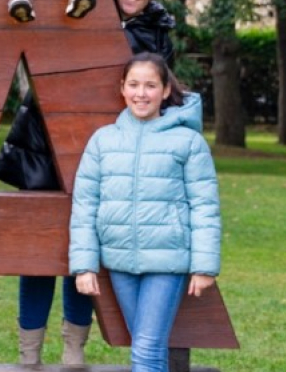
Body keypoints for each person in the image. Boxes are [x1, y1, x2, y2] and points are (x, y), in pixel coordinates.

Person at [0, 0, 176, 365]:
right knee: (38, 252)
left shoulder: (159, 35)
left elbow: (159, 98)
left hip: (106, 154)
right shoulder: (78, 3)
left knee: (84, 250)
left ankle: (74, 350)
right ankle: (29, 354)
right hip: (43, 144)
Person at [69, 53, 221, 372]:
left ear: (165, 91)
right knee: (144, 345)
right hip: (120, 260)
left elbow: (205, 206)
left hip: (167, 262)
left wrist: (205, 265)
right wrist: (84, 266)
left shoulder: (188, 142)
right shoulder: (102, 141)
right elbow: (85, 205)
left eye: (150, 85)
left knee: (147, 348)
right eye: (134, 84)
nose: (142, 93)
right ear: (122, 88)